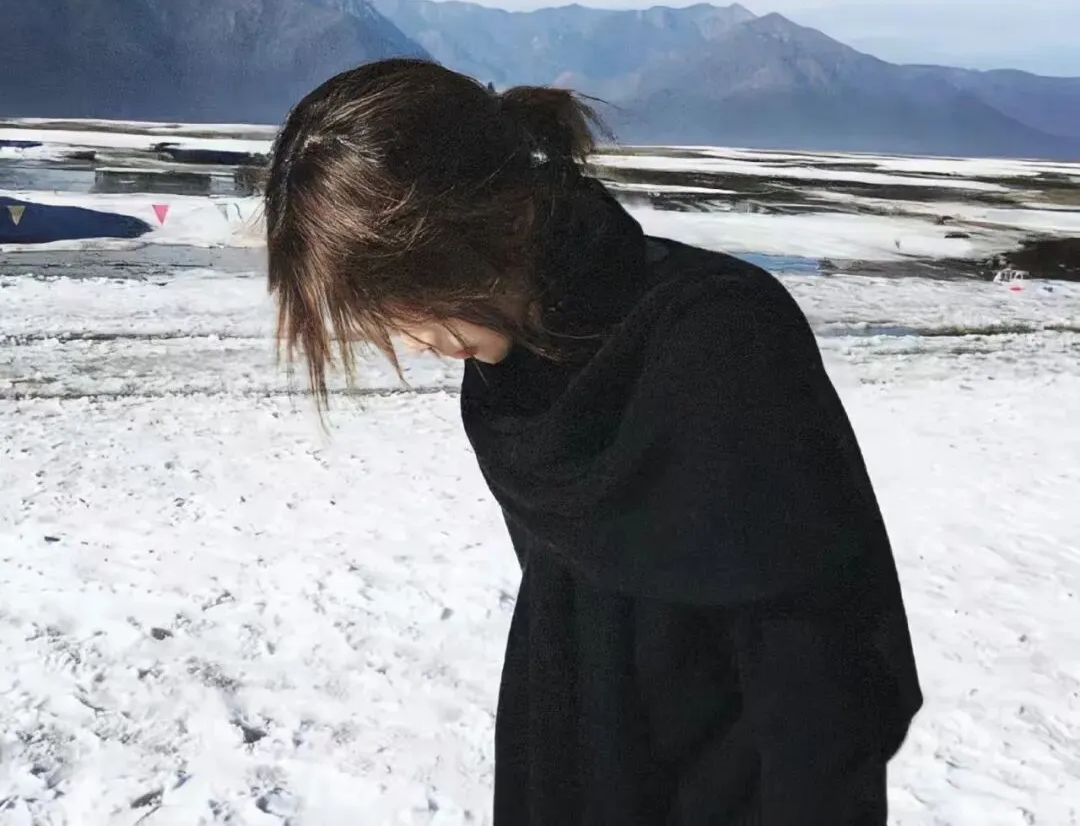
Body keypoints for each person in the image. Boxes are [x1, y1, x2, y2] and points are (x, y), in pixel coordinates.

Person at [263, 57, 922, 825]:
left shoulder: (718, 336)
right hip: (573, 760)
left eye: (410, 293)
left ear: (501, 220)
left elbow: (819, 656)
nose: (410, 338)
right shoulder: (514, 370)